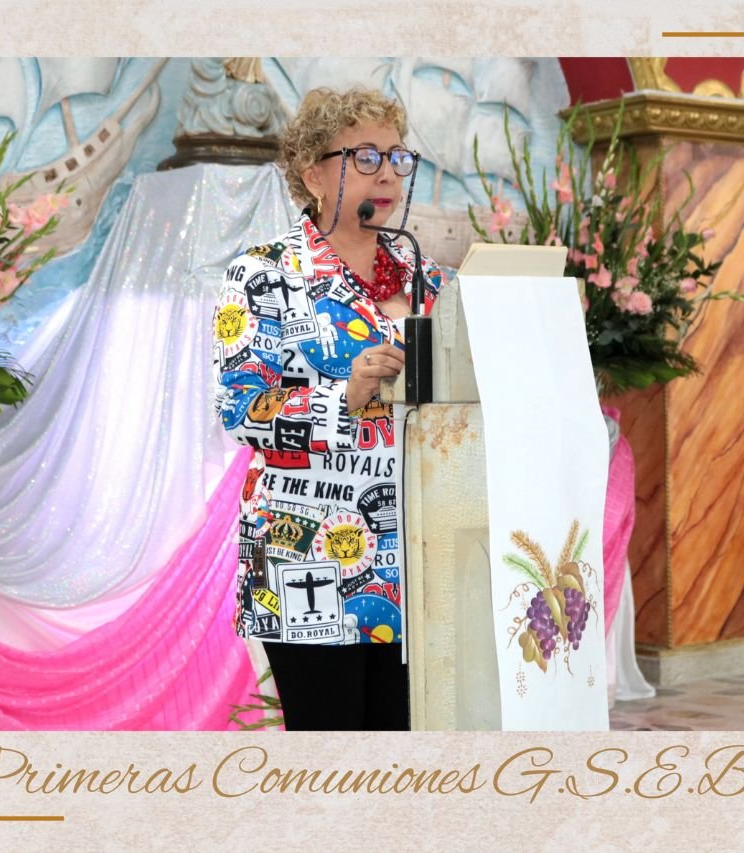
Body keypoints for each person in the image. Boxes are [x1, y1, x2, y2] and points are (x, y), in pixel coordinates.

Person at [211, 87, 442, 731]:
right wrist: (346, 395)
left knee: (406, 753)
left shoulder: (430, 279)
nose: (388, 173)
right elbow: (240, 409)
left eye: (397, 157)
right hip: (309, 556)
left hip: (418, 556)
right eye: (365, 156)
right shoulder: (263, 274)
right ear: (313, 174)